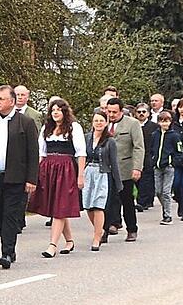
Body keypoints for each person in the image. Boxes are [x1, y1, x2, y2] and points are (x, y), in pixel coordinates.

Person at [0, 86, 37, 268]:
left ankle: (7, 251)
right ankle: (7, 247)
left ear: (11, 102)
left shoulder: (25, 123)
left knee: (10, 215)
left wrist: (31, 179)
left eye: (1, 99)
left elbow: (33, 153)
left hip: (15, 177)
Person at [29, 98, 86, 256]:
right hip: (48, 168)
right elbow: (41, 152)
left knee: (60, 207)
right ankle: (69, 241)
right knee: (56, 207)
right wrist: (36, 173)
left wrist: (80, 175)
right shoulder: (47, 128)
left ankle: (52, 245)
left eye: (58, 110)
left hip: (66, 168)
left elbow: (81, 153)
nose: (55, 113)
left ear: (64, 112)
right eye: (53, 110)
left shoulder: (74, 127)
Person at [103, 97, 144, 242]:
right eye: (109, 112)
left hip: (124, 169)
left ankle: (132, 229)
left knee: (126, 200)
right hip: (106, 169)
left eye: (115, 112)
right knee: (106, 201)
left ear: (121, 111)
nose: (112, 115)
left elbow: (139, 147)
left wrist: (137, 168)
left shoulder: (132, 124)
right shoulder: (102, 122)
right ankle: (105, 230)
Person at [82, 111, 122, 249]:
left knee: (99, 205)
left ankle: (96, 237)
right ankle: (100, 229)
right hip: (88, 173)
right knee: (88, 205)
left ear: (106, 123)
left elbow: (114, 163)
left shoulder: (110, 141)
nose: (98, 123)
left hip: (102, 174)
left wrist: (118, 183)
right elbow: (81, 157)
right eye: (96, 121)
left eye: (101, 121)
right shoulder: (86, 138)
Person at [149, 111, 180, 224]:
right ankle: (165, 208)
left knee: (166, 192)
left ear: (170, 122)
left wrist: (173, 162)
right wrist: (153, 160)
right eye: (161, 121)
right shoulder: (155, 135)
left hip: (168, 167)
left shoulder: (174, 136)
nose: (164, 124)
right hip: (157, 167)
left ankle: (167, 215)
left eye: (166, 121)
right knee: (158, 191)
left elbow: (179, 151)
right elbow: (152, 149)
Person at [134, 103, 158, 212]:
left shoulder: (154, 126)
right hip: (136, 155)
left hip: (148, 155)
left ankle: (142, 202)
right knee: (137, 180)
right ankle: (146, 199)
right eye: (139, 112)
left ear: (148, 113)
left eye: (143, 112)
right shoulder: (133, 125)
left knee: (146, 179)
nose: (141, 114)